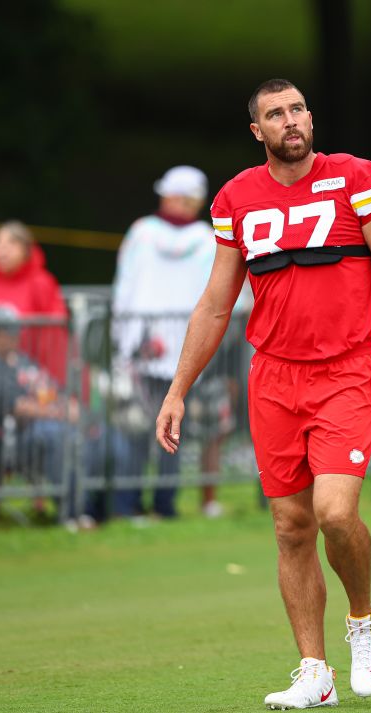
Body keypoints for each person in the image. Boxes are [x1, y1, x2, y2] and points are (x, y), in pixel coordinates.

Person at [154, 79, 371, 709]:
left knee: (336, 513)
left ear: (310, 118)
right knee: (291, 526)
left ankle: (362, 619)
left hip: (345, 372)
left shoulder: (359, 179)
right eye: (274, 115)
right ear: (257, 131)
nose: (290, 121)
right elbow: (214, 305)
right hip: (274, 378)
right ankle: (314, 671)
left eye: (297, 110)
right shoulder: (235, 199)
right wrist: (178, 389)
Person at [112, 165, 253, 520]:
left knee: (140, 428)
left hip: (142, 346)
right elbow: (236, 298)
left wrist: (120, 338)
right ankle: (163, 505)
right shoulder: (210, 239)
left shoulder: (141, 233)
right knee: (172, 429)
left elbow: (123, 288)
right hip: (189, 351)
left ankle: (132, 506)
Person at [0, 309, 85, 528]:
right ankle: (70, 512)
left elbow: (52, 390)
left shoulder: (24, 361)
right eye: (9, 333)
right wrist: (60, 412)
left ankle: (89, 509)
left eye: (16, 332)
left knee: (79, 435)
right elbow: (17, 407)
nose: (15, 337)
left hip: (45, 428)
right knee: (54, 435)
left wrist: (68, 406)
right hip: (10, 443)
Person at [0, 221, 70, 384]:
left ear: (26, 250)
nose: (3, 249)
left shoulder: (41, 282)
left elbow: (56, 333)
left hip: (33, 370)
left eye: (12, 243)